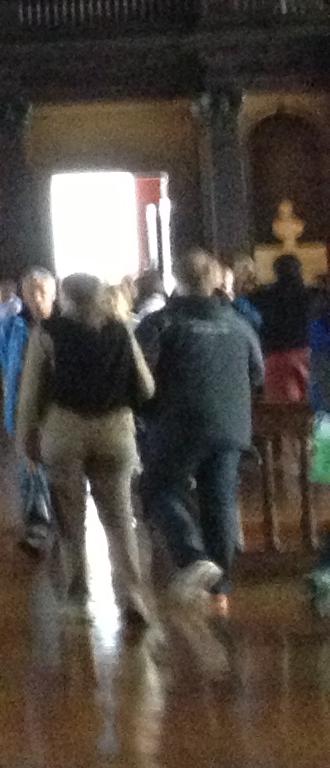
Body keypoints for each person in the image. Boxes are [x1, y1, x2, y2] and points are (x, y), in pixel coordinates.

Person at [16, 271, 159, 625]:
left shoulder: (47, 333)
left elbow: (30, 395)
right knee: (120, 519)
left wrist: (26, 441)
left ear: (65, 299)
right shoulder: (120, 330)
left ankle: (77, 595)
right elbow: (146, 386)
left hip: (64, 432)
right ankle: (132, 597)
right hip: (115, 432)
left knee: (70, 519)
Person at [140, 249, 261, 605]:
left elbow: (139, 374)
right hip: (232, 425)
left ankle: (194, 558)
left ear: (177, 280)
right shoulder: (239, 323)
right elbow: (257, 373)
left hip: (179, 423)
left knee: (158, 488)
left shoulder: (162, 323)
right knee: (219, 501)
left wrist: (148, 410)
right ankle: (219, 587)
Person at [0, 266, 59, 549]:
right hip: (21, 406)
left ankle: (60, 519)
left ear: (53, 294)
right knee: (29, 464)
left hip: (55, 409)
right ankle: (36, 521)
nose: (36, 299)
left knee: (55, 466)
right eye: (30, 293)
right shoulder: (13, 326)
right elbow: (6, 368)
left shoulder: (62, 328)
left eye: (42, 292)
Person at [259, 253, 314, 406]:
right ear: (300, 271)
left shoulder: (265, 296)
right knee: (313, 408)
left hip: (277, 357)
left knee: (281, 411)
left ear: (275, 272)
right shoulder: (312, 295)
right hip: (308, 353)